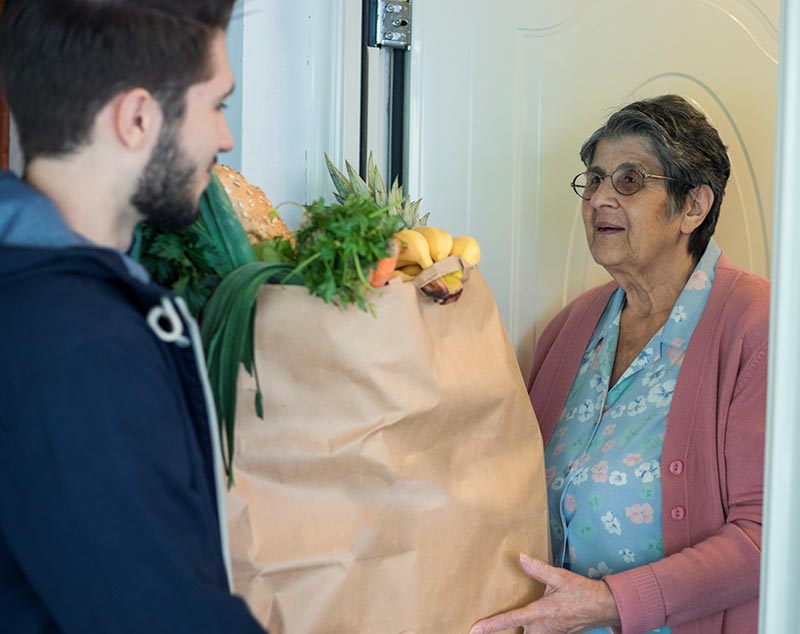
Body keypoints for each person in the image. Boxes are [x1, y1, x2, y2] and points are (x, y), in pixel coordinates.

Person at [0, 1, 265, 631]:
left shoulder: (41, 292)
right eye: (216, 104)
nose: (224, 138)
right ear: (138, 118)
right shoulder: (79, 346)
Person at [471, 95, 767, 634]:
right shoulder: (569, 329)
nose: (600, 198)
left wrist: (610, 601)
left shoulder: (760, 327)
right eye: (595, 179)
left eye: (629, 180)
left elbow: (765, 537)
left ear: (693, 206)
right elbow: (508, 482)